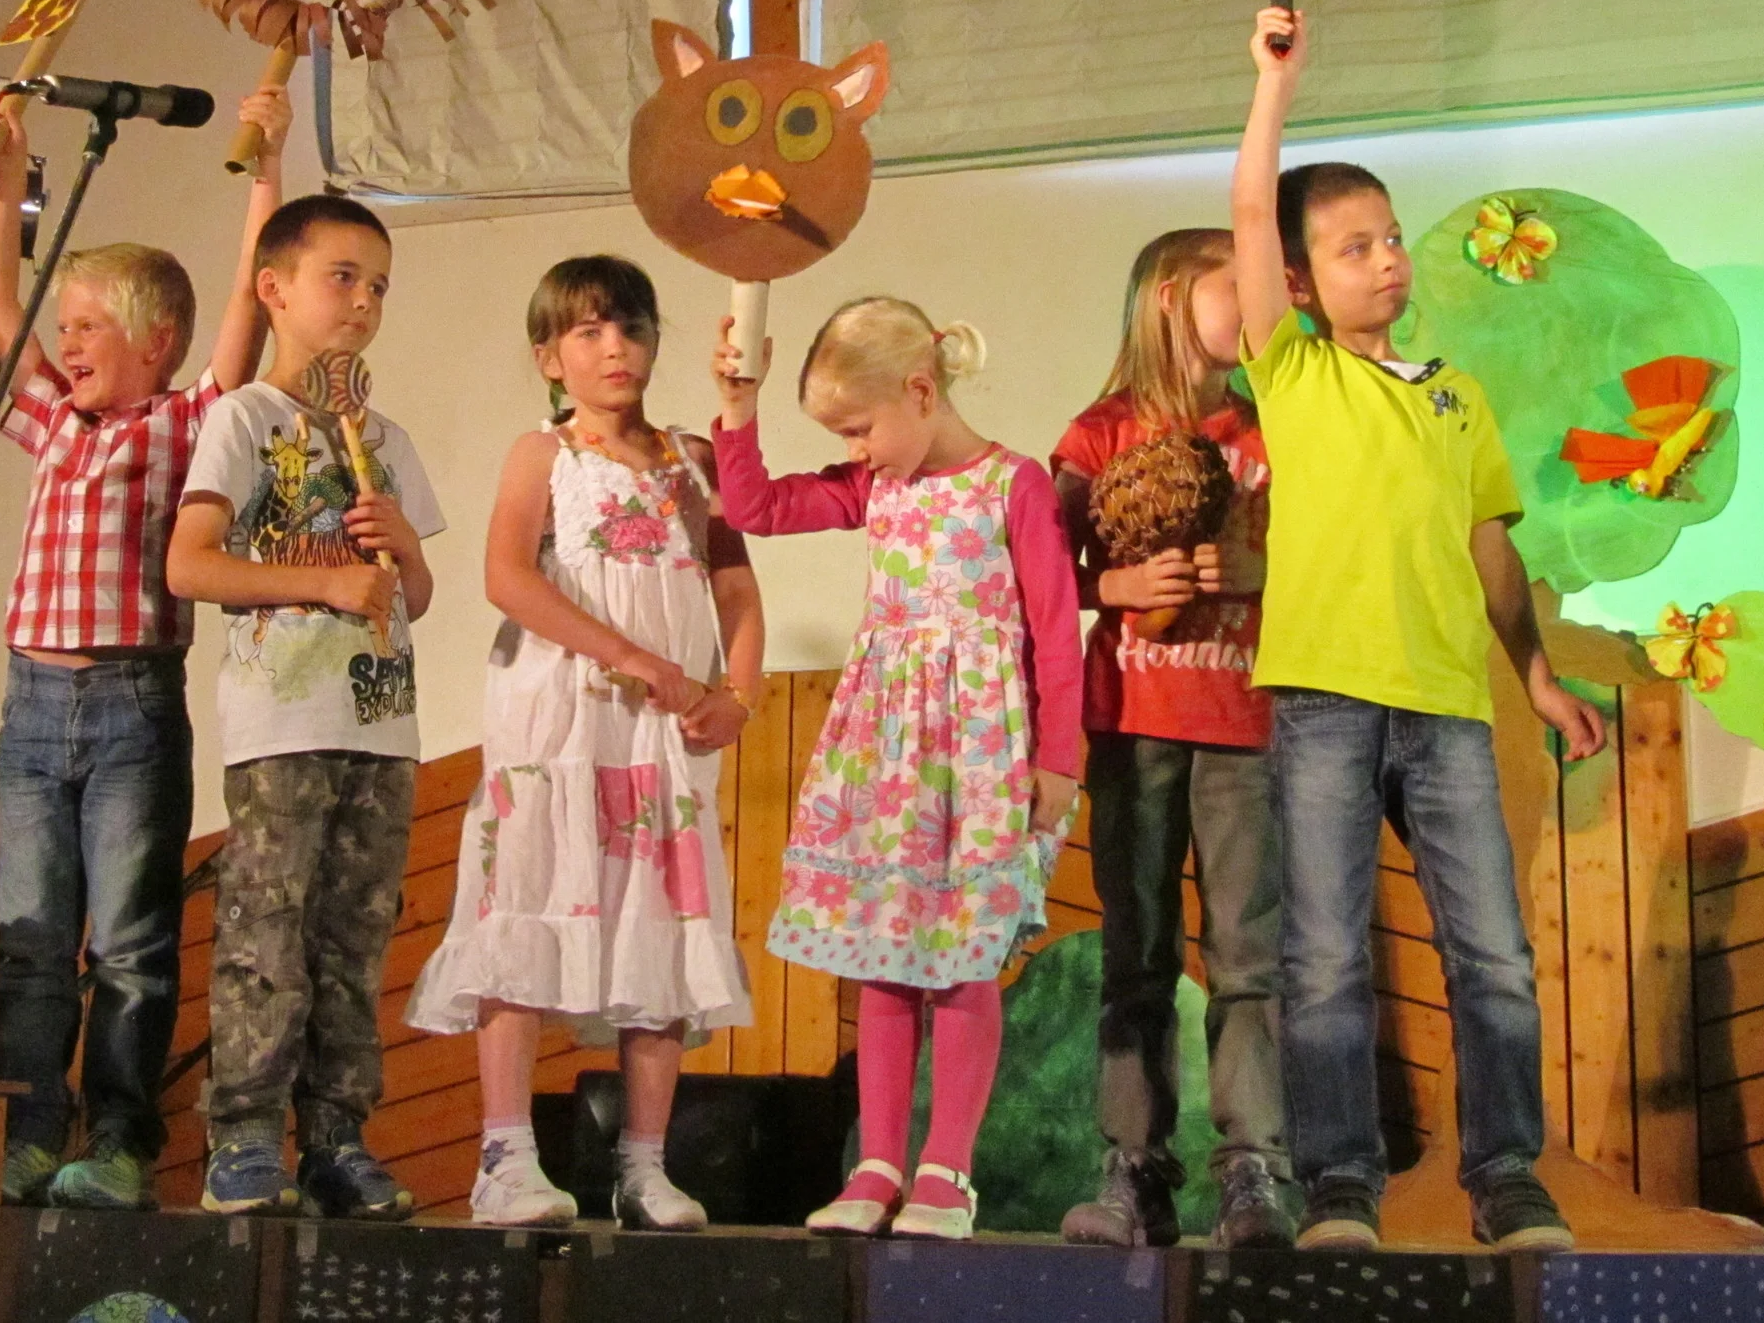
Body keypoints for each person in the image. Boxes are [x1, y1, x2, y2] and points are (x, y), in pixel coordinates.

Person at [1230, 6, 1605, 1252]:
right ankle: (1341, 1185)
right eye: (1352, 248)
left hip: (1445, 705)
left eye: (1390, 239)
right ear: (1299, 283)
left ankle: (1505, 1177)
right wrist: (1273, 86)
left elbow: (1491, 547)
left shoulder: (1457, 396)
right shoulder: (1296, 372)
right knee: (1326, 958)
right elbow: (1247, 216)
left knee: (1491, 954)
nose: (1385, 261)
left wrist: (1534, 676)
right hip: (1325, 701)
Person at [0, 88, 291, 1211]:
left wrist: (266, 168)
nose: (65, 346)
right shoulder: (53, 423)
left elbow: (245, 312)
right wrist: (2, 178)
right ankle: (26, 1130)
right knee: (30, 942)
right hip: (30, 706)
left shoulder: (182, 421)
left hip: (130, 707)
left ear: (154, 343)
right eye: (63, 332)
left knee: (129, 945)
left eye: (87, 329)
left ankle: (117, 1139)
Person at [710, 297, 1082, 1242]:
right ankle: (877, 1163)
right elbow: (753, 506)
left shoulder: (1013, 485)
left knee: (961, 959)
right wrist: (739, 407)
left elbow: (1054, 628)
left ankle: (946, 1170)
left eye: (859, 428)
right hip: (888, 748)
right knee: (883, 955)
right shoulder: (872, 486)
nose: (856, 451)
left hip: (983, 752)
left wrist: (1060, 759)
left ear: (920, 389)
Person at [408, 257, 765, 1230]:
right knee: (526, 902)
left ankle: (643, 1164)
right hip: (558, 719)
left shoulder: (691, 457)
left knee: (663, 917)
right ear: (549, 356)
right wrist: (631, 655)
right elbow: (507, 577)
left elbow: (735, 585)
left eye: (632, 328)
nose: (616, 348)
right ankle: (504, 1157)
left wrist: (738, 692)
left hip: (659, 732)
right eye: (590, 331)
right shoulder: (544, 454)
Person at [168, 194, 444, 1221]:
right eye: (343, 277)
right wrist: (322, 580)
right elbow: (190, 564)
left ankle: (337, 1138)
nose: (363, 301)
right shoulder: (243, 418)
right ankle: (243, 1138)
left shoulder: (385, 437)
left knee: (353, 941)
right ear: (275, 289)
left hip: (380, 722)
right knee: (267, 932)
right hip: (283, 723)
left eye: (379, 286)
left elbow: (412, 596)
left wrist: (402, 548)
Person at [1053, 228, 1292, 1250]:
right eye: (1237, 286)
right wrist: (1117, 582)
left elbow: (1332, 557)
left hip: (1246, 720)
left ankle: (1254, 1168)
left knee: (1247, 954)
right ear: (1168, 297)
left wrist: (1264, 572)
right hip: (1133, 721)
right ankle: (1132, 1167)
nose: (1258, 305)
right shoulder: (1098, 433)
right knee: (1137, 948)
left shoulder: (1275, 427)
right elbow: (1038, 571)